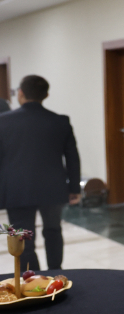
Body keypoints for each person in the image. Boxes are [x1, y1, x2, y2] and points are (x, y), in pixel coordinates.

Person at [0, 75, 81, 271]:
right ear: (46, 95)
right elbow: (72, 157)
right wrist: (74, 188)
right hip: (53, 188)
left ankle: (33, 276)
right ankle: (55, 272)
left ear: (20, 93)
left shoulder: (3, 122)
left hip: (16, 189)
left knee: (21, 236)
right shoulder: (60, 121)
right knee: (53, 231)